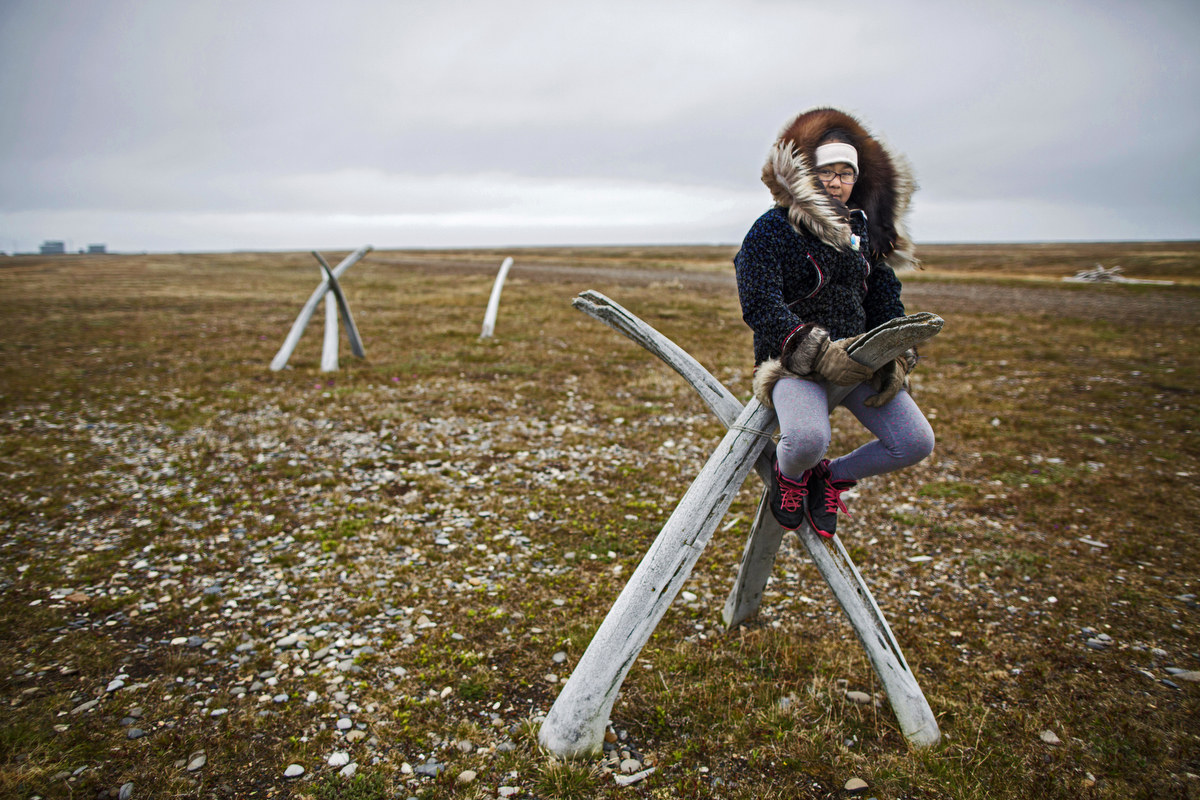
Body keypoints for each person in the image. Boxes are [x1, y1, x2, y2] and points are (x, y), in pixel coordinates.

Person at [734, 107, 934, 538]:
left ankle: (831, 477)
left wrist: (894, 355)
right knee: (805, 441)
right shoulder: (771, 230)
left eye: (846, 173)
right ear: (805, 173)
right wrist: (815, 351)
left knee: (914, 442)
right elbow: (758, 302)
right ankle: (791, 478)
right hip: (792, 363)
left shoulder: (865, 235)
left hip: (861, 361)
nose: (836, 181)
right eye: (827, 171)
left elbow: (885, 295)